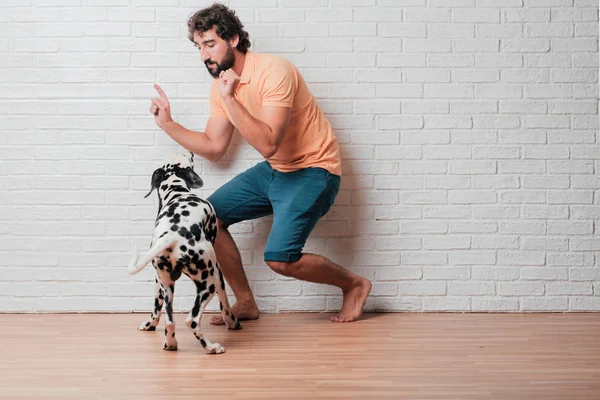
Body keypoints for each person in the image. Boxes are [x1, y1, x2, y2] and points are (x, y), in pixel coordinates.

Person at [149, 3, 371, 323]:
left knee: (280, 260)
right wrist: (168, 124)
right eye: (199, 47)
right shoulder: (221, 86)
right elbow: (214, 148)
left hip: (314, 170)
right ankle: (246, 303)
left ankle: (354, 284)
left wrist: (230, 99)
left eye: (210, 44)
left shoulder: (275, 70)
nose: (203, 55)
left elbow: (268, 143)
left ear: (234, 39)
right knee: (205, 219)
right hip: (275, 171)